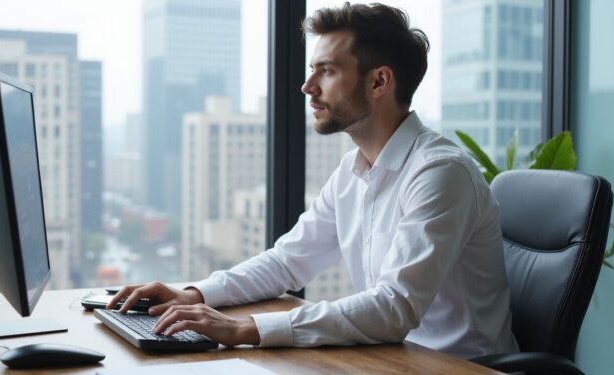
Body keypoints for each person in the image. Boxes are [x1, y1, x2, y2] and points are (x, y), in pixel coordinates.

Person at [108, 2, 519, 358]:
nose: (307, 87)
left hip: (458, 367)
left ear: (379, 81)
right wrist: (194, 295)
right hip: (391, 358)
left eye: (326, 71)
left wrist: (245, 328)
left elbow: (395, 307)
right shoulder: (352, 171)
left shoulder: (440, 173)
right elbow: (288, 261)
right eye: (312, 70)